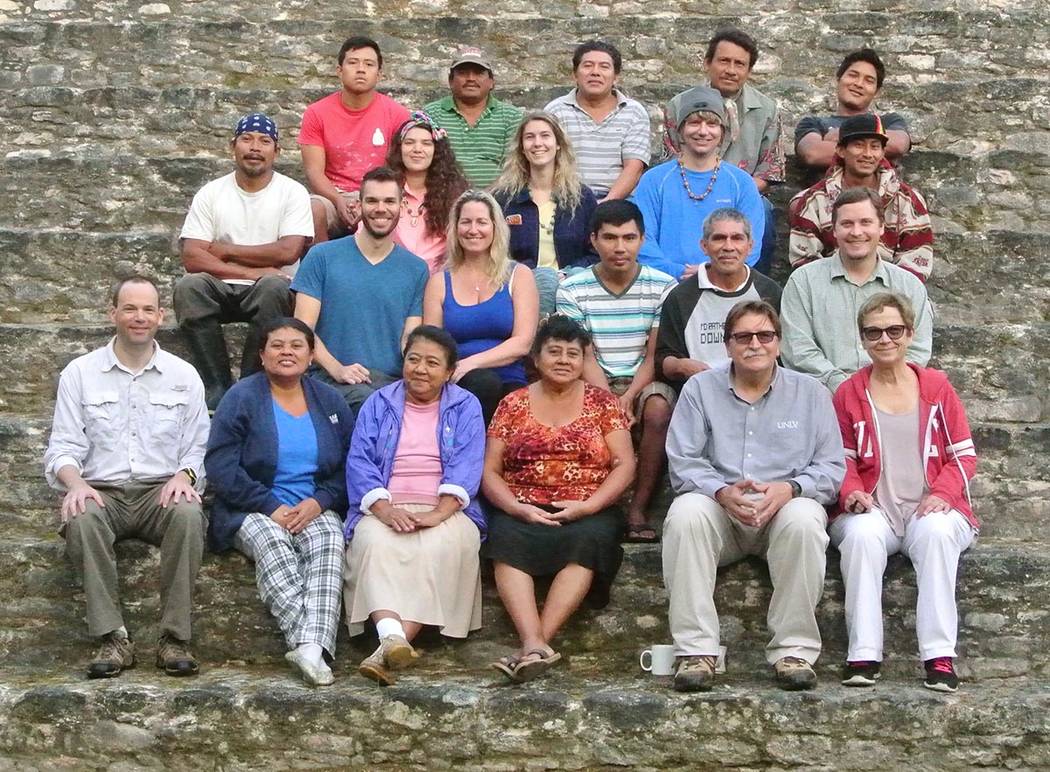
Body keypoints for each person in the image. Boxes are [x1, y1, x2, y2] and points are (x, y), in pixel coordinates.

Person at [663, 300, 845, 692]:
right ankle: (695, 652)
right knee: (685, 513)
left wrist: (789, 489)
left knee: (806, 517)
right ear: (727, 344)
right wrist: (721, 491)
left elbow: (831, 469)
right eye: (743, 337)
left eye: (765, 335)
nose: (755, 344)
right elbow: (683, 461)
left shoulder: (811, 394)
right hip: (721, 515)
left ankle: (793, 652)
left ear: (778, 343)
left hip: (781, 514)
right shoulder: (699, 389)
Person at [43, 276, 210, 679]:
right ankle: (112, 637)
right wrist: (77, 483)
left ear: (160, 316)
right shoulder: (80, 373)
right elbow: (62, 448)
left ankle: (174, 639)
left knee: (189, 515)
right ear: (113, 313)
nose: (139, 317)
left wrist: (185, 476)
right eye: (130, 308)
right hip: (103, 492)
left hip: (160, 492)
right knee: (80, 517)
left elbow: (197, 448)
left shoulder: (183, 375)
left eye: (148, 309)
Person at [831, 293, 978, 693]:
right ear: (862, 338)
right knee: (860, 536)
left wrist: (944, 493)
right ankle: (863, 655)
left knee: (935, 533)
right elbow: (838, 459)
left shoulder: (936, 386)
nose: (885, 339)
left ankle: (939, 657)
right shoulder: (849, 392)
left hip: (929, 505)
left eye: (894, 330)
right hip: (875, 508)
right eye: (874, 332)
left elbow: (964, 455)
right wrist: (852, 492)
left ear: (910, 333)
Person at [483, 316, 635, 683]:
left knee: (589, 539)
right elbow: (489, 471)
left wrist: (590, 505)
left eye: (574, 353)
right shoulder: (512, 403)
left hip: (588, 507)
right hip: (522, 505)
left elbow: (625, 463)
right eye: (554, 351)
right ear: (535, 358)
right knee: (504, 538)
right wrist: (515, 507)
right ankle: (534, 644)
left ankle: (535, 644)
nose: (564, 360)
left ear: (585, 361)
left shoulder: (603, 403)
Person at [204, 317, 354, 687]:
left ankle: (309, 650)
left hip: (312, 506)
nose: (287, 352)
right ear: (262, 353)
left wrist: (320, 502)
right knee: (274, 544)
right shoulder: (240, 398)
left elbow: (350, 467)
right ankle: (311, 644)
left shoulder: (330, 401)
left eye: (296, 345)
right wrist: (269, 505)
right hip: (251, 507)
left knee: (330, 541)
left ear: (312, 355)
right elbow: (220, 466)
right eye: (277, 345)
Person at [344, 325, 486, 686]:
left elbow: (469, 463)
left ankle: (390, 645)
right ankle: (393, 639)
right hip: (387, 501)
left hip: (447, 506)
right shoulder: (379, 402)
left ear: (450, 372)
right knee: (372, 542)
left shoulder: (465, 405)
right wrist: (384, 508)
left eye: (432, 363)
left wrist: (438, 513)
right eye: (414, 359)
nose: (420, 369)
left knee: (444, 544)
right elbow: (359, 459)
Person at [175, 113, 314, 411]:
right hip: (222, 286)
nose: (255, 147)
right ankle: (217, 385)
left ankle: (251, 385)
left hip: (270, 290)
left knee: (274, 287)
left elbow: (288, 252)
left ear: (276, 151)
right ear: (233, 146)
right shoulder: (212, 193)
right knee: (189, 287)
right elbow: (192, 255)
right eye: (247, 139)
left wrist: (225, 250)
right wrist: (251, 270)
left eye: (265, 141)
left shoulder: (292, 192)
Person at [556, 200, 676, 542]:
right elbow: (583, 355)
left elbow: (654, 355)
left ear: (642, 239)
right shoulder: (573, 288)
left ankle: (638, 507)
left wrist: (630, 396)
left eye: (628, 237)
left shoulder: (663, 285)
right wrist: (612, 402)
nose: (619, 247)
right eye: (609, 238)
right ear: (593, 240)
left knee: (657, 410)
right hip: (590, 378)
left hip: (645, 378)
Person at [292, 167, 429, 416]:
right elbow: (303, 328)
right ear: (359, 205)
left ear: (402, 206)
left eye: (389, 201)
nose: (381, 209)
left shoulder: (416, 269)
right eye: (372, 201)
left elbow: (410, 336)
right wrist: (337, 369)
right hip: (329, 380)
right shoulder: (322, 257)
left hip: (389, 383)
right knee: (367, 402)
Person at [781, 187, 933, 393]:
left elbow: (918, 349)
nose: (856, 232)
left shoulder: (908, 285)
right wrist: (846, 388)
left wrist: (880, 385)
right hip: (825, 399)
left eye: (865, 222)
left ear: (881, 227)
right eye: (847, 224)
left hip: (891, 397)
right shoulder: (804, 282)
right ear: (834, 230)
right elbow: (797, 350)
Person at [662, 27, 784, 275]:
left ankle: (752, 283)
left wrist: (733, 191)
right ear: (708, 63)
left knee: (765, 212)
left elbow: (770, 170)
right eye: (724, 61)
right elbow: (673, 155)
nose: (731, 70)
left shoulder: (767, 109)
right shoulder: (679, 105)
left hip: (742, 196)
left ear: (749, 70)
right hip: (687, 189)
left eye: (739, 64)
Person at [423, 190, 538, 425]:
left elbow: (522, 343)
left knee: (512, 401)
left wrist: (470, 363)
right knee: (483, 384)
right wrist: (456, 369)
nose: (473, 230)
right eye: (465, 222)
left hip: (507, 377)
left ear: (495, 227)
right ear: (455, 228)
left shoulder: (519, 275)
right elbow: (431, 343)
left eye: (481, 222)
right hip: (456, 382)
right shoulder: (439, 281)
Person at [633, 86, 765, 279]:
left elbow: (751, 243)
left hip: (724, 282)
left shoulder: (741, 182)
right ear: (681, 130)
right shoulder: (654, 180)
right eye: (694, 123)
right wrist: (677, 271)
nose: (703, 131)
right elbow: (641, 239)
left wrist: (712, 272)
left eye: (711, 124)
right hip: (663, 282)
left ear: (722, 131)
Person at [789, 113, 933, 281]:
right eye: (858, 145)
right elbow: (804, 262)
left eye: (875, 147)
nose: (867, 154)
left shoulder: (907, 199)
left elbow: (916, 260)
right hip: (830, 290)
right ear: (841, 150)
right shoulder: (814, 200)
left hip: (890, 295)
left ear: (883, 152)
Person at [656, 208, 782, 394]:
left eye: (737, 238)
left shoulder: (770, 292)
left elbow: (782, 354)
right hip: (699, 392)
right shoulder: (681, 297)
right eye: (719, 238)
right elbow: (663, 358)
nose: (728, 247)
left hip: (761, 390)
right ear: (704, 245)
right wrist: (681, 366)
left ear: (750, 246)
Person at [299, 36, 410, 242]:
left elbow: (401, 169)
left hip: (379, 192)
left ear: (379, 74)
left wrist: (370, 200)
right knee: (313, 210)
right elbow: (314, 171)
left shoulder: (397, 114)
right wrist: (338, 200)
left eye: (369, 64)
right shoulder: (316, 113)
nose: (361, 69)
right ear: (339, 71)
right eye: (353, 62)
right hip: (333, 195)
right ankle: (322, 269)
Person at [492, 111, 599, 316]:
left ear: (558, 144)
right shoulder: (505, 198)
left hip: (572, 282)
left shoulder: (581, 197)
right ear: (522, 147)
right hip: (519, 284)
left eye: (545, 136)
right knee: (544, 281)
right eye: (530, 137)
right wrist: (530, 274)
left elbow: (595, 251)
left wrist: (566, 274)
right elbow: (497, 251)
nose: (537, 143)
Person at [545, 40, 651, 201]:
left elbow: (634, 167)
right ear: (575, 74)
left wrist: (606, 204)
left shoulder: (633, 112)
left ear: (616, 76)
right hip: (567, 200)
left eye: (604, 66)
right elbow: (547, 164)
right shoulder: (556, 111)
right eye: (588, 65)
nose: (595, 72)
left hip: (619, 203)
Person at [795, 48, 911, 173]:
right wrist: (874, 144)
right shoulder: (813, 123)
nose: (859, 84)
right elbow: (813, 154)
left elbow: (899, 145)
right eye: (853, 75)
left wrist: (840, 135)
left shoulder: (888, 121)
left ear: (876, 92)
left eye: (869, 80)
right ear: (838, 80)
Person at [423, 47, 523, 188]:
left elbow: (513, 168)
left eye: (478, 73)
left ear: (491, 82)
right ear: (451, 81)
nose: (471, 78)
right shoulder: (431, 114)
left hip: (496, 202)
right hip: (442, 199)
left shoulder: (512, 117)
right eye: (463, 73)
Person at [386, 111, 470, 274]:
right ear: (399, 148)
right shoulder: (385, 189)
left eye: (426, 143)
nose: (417, 149)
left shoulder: (454, 195)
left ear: (436, 151)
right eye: (409, 142)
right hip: (390, 278)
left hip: (440, 281)